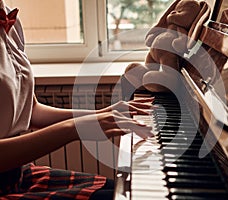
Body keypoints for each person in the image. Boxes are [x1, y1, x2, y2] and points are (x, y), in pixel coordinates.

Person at [0, 1, 154, 199]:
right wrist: (74, 127)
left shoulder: (10, 20)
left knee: (121, 190)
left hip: (19, 175)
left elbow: (31, 111)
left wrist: (104, 113)